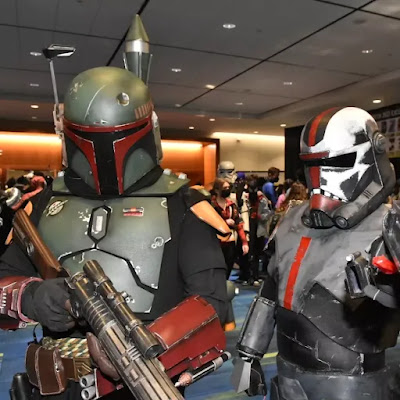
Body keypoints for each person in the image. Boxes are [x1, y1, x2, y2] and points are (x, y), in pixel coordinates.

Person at [0, 15, 229, 399]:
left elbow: (212, 304)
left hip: (144, 383)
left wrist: (139, 353)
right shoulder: (43, 203)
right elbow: (4, 283)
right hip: (54, 385)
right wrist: (32, 297)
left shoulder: (183, 204)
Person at [232, 107, 400, 399]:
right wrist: (247, 357)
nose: (321, 175)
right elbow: (270, 292)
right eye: (313, 164)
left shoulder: (390, 224)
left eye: (336, 161)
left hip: (354, 384)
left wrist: (385, 289)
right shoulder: (293, 218)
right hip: (287, 377)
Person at [212, 178, 249, 279]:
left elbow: (239, 224)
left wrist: (244, 242)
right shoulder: (211, 205)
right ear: (217, 190)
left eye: (228, 187)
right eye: (224, 188)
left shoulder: (231, 205)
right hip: (215, 242)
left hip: (230, 241)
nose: (227, 190)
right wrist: (224, 222)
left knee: (228, 268)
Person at [244, 179, 272, 287]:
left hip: (259, 227)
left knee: (257, 252)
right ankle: (248, 276)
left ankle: (256, 275)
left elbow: (267, 213)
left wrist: (260, 216)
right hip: (248, 226)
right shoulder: (245, 198)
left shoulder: (262, 199)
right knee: (249, 252)